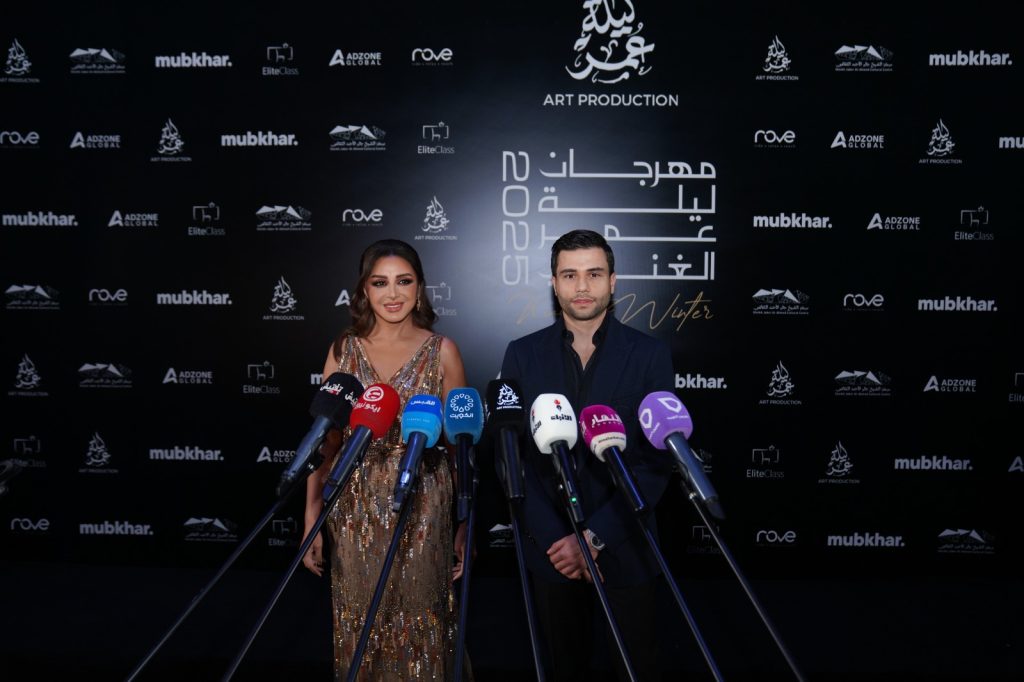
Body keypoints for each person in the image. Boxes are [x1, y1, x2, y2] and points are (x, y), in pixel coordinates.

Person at [499, 229, 674, 681]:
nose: (582, 286)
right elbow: (511, 456)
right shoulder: (521, 354)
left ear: (612, 281)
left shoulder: (650, 354)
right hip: (552, 552)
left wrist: (594, 538)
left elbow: (655, 463)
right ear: (553, 283)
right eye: (569, 275)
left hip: (627, 547)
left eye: (594, 274)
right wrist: (560, 541)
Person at [302, 239, 469, 681]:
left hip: (424, 505)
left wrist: (465, 521)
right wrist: (311, 515)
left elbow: (460, 448)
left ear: (420, 288)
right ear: (364, 290)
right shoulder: (344, 350)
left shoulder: (443, 351)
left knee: (423, 620)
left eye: (404, 281)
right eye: (380, 283)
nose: (393, 294)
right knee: (361, 622)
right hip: (354, 504)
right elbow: (326, 442)